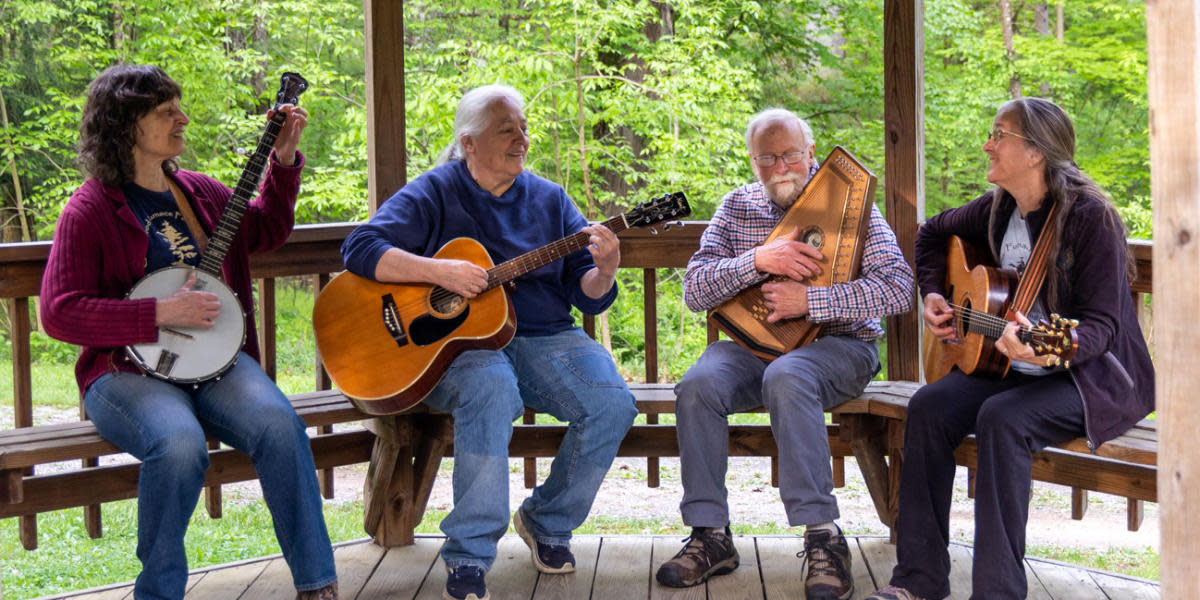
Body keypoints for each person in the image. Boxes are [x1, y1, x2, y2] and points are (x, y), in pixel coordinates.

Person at [39, 64, 338, 600]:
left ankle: (318, 584)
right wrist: (157, 313)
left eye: (178, 107)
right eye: (166, 112)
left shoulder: (197, 192)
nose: (182, 119)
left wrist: (284, 160)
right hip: (125, 372)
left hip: (217, 363)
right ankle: (158, 593)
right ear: (126, 125)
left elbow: (267, 228)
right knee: (178, 445)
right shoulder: (90, 209)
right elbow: (60, 312)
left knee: (280, 425)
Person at [340, 84, 638, 600]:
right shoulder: (435, 191)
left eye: (524, 128)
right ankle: (470, 555)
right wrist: (439, 272)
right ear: (469, 143)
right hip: (460, 346)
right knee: (491, 389)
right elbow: (360, 246)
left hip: (546, 337)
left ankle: (547, 520)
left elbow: (585, 294)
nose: (522, 139)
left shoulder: (550, 198)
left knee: (613, 404)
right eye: (507, 130)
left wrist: (606, 270)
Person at [865, 98, 1155, 600]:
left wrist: (1053, 350)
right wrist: (933, 294)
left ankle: (997, 592)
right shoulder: (998, 208)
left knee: (1003, 419)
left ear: (1036, 152)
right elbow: (932, 234)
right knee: (928, 406)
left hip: (1087, 377)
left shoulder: (1091, 219)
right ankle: (918, 579)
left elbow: (1104, 326)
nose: (988, 144)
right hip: (1010, 366)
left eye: (1000, 135)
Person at [654, 108, 914, 600]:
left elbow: (899, 289)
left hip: (841, 347)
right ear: (752, 161)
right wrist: (757, 260)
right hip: (753, 348)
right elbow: (694, 289)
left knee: (789, 375)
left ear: (811, 153)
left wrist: (811, 301)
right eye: (767, 158)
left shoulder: (851, 204)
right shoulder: (737, 207)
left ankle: (823, 537)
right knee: (698, 384)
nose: (780, 167)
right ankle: (710, 535)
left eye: (790, 155)